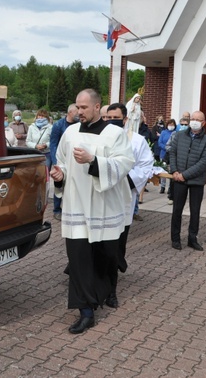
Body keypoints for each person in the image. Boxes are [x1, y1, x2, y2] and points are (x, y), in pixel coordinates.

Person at [51, 89, 134, 334]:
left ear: (97, 107)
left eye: (84, 107)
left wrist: (93, 161)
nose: (79, 112)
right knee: (78, 261)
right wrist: (59, 175)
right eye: (77, 107)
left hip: (104, 207)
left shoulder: (115, 134)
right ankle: (86, 312)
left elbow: (123, 164)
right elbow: (62, 162)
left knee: (105, 257)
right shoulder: (70, 132)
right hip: (76, 206)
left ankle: (104, 292)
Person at [106, 102, 153, 290]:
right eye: (107, 118)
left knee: (119, 237)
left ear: (125, 119)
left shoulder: (136, 140)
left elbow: (146, 165)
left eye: (115, 118)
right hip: (102, 195)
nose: (111, 122)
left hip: (124, 195)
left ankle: (114, 269)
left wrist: (127, 182)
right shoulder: (99, 137)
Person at [168, 110, 206, 251]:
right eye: (192, 118)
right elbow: (173, 153)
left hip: (196, 181)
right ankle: (175, 239)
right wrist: (175, 171)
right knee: (177, 210)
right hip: (178, 178)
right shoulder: (180, 135)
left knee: (195, 211)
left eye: (197, 119)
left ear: (203, 123)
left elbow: (204, 163)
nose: (194, 121)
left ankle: (192, 239)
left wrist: (185, 175)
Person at [49, 104, 79, 221]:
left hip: (74, 161)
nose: (78, 114)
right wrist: (56, 161)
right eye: (76, 112)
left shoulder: (79, 125)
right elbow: (53, 144)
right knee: (59, 184)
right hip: (61, 160)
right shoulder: (58, 125)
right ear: (70, 112)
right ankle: (57, 209)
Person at [156, 118, 177, 195]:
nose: (171, 126)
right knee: (163, 170)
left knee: (171, 171)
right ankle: (162, 186)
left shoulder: (176, 133)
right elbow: (160, 142)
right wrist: (166, 148)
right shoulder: (164, 132)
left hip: (172, 155)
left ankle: (170, 188)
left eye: (172, 125)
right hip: (164, 154)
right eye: (169, 124)